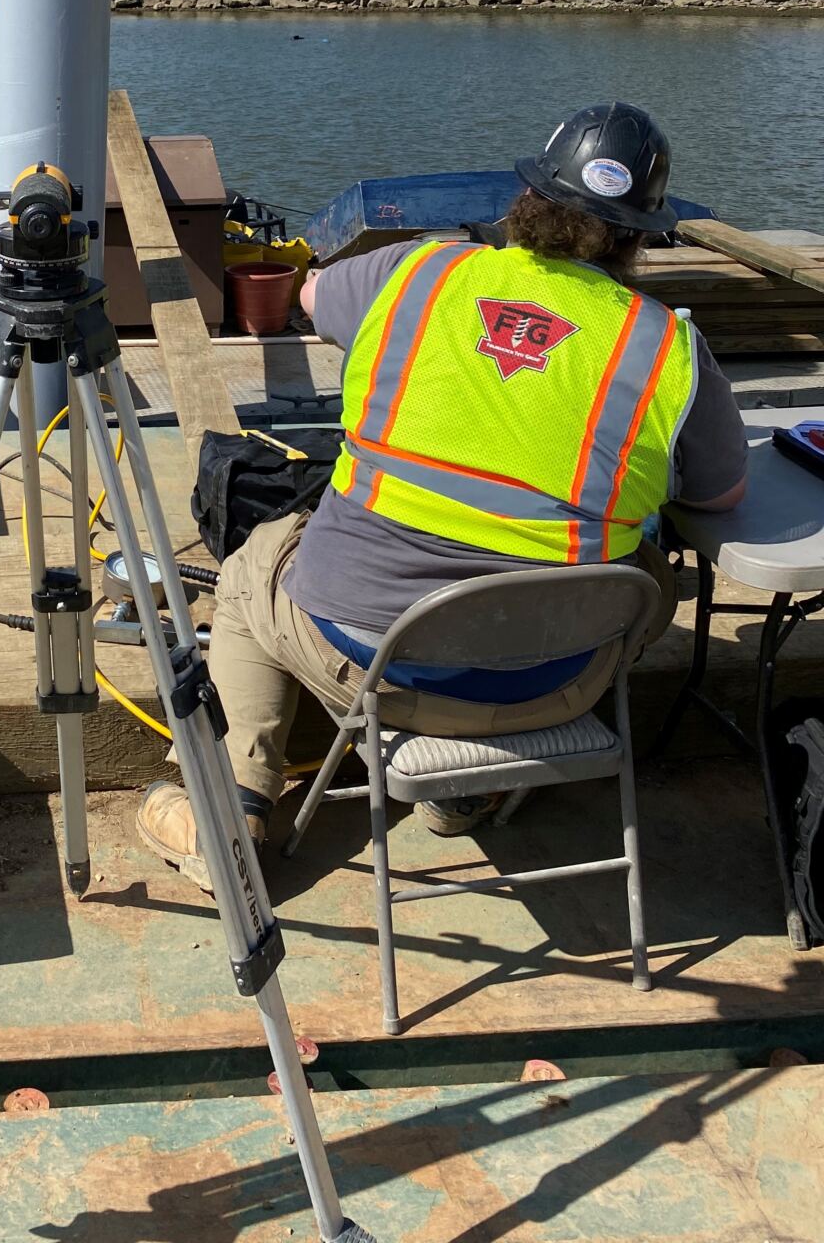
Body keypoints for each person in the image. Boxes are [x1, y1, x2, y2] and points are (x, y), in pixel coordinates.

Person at [139, 102, 748, 886]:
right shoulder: (667, 344)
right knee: (644, 574)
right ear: (638, 233)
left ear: (528, 198)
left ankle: (232, 806)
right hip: (556, 679)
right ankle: (469, 793)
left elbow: (313, 297)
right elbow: (724, 494)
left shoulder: (424, 273)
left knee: (255, 565)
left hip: (371, 661)